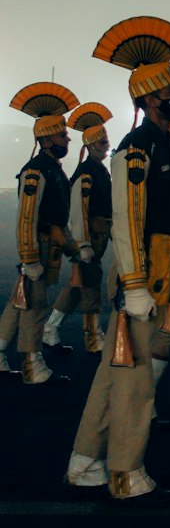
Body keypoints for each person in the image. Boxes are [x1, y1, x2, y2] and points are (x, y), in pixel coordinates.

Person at [66, 16, 170, 503]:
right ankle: (126, 472)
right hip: (144, 272)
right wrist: (138, 283)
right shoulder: (136, 148)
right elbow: (128, 220)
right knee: (136, 377)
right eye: (169, 90)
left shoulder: (163, 144)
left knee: (113, 370)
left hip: (160, 268)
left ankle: (85, 460)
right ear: (148, 98)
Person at [0, 82, 80, 383]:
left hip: (50, 242)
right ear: (46, 139)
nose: (67, 138)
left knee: (19, 301)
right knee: (34, 305)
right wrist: (30, 257)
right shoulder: (37, 170)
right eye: (61, 134)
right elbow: (26, 218)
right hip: (40, 245)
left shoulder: (52, 167)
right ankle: (33, 364)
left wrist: (72, 247)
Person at [42, 101, 114, 356]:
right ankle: (94, 337)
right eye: (103, 143)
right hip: (88, 237)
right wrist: (82, 243)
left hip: (98, 235)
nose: (106, 147)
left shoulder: (99, 171)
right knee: (91, 286)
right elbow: (78, 211)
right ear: (92, 145)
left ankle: (50, 328)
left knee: (76, 286)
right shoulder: (86, 173)